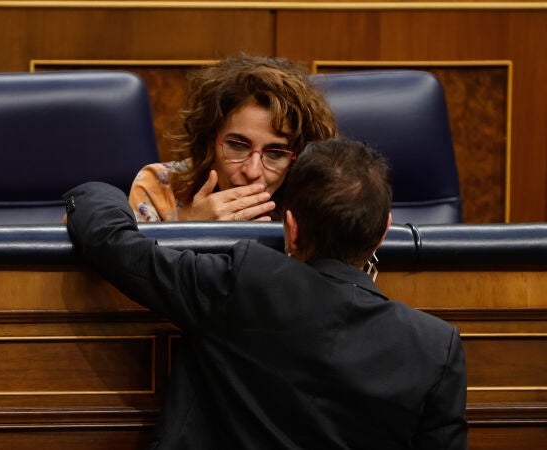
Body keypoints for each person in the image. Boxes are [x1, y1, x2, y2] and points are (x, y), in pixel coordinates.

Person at [63, 137, 468, 449]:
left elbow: (114, 246)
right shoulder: (436, 347)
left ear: (290, 227)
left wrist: (94, 191)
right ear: (383, 232)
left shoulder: (242, 283)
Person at [129, 53, 336, 222]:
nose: (252, 171)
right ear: (209, 139)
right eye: (237, 146)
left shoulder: (318, 200)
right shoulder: (159, 188)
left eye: (275, 153)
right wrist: (192, 233)